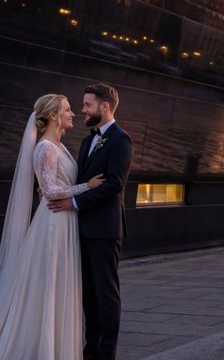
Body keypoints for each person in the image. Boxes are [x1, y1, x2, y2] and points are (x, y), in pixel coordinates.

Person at [0, 94, 105, 359]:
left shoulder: (60, 146)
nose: (73, 114)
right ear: (53, 115)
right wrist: (87, 186)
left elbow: (51, 185)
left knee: (59, 285)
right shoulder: (45, 147)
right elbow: (49, 190)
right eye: (68, 110)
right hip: (52, 224)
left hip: (65, 221)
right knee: (48, 286)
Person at [48, 83, 134, 360]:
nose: (82, 110)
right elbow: (80, 181)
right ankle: (91, 349)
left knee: (106, 295)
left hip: (104, 230)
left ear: (104, 106)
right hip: (80, 229)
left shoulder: (121, 140)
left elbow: (114, 185)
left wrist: (72, 203)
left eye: (87, 105)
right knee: (87, 295)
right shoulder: (87, 141)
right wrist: (54, 190)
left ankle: (106, 353)